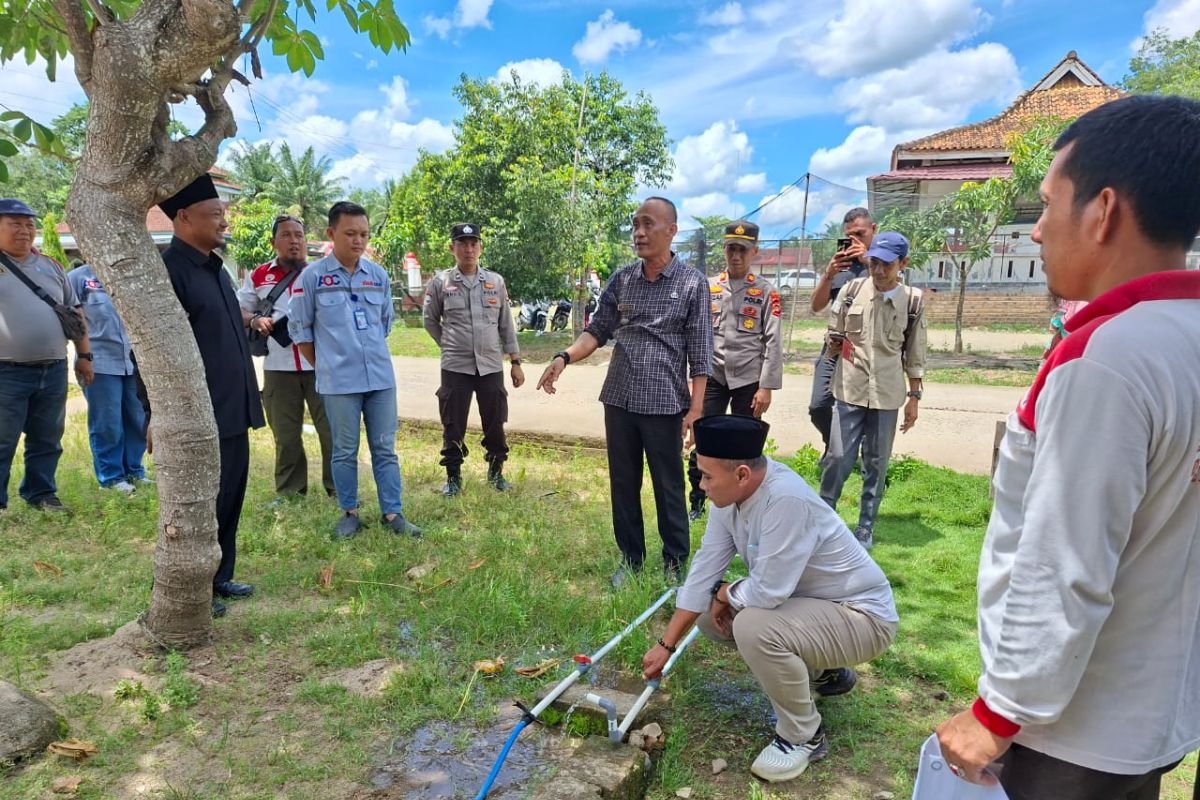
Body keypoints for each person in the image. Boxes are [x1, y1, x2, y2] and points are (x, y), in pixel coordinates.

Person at [935, 95, 1200, 800]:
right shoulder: (1183, 337)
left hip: (1073, 729)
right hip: (1156, 710)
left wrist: (998, 712)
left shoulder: (1107, 359)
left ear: (1102, 211)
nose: (1036, 229)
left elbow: (1063, 561)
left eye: (1048, 204)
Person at [642, 414, 897, 783]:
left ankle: (803, 735)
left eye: (707, 477)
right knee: (706, 615)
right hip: (814, 609)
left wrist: (725, 591)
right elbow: (704, 570)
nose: (701, 485)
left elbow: (768, 592)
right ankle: (824, 674)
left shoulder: (785, 499)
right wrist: (666, 644)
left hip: (863, 618)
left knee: (752, 624)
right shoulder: (729, 499)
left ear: (742, 474)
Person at [537, 197, 711, 586]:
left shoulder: (692, 283)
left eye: (648, 224)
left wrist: (696, 410)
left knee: (668, 485)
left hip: (665, 402)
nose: (639, 233)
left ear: (671, 231)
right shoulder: (622, 279)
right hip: (619, 398)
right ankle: (631, 559)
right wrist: (564, 357)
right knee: (623, 482)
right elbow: (597, 330)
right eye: (635, 225)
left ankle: (674, 563)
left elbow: (701, 352)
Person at [160, 175, 266, 617]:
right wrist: (153, 413)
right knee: (200, 506)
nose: (224, 221)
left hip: (232, 407)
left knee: (229, 497)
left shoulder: (216, 269)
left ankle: (219, 577)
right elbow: (153, 352)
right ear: (184, 217)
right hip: (197, 413)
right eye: (215, 214)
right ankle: (194, 588)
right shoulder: (169, 272)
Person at [288, 201, 422, 540]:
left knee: (384, 448)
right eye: (350, 233)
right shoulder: (313, 277)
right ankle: (349, 512)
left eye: (363, 234)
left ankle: (393, 513)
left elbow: (384, 325)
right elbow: (301, 331)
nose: (358, 240)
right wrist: (328, 366)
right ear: (331, 233)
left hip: (380, 379)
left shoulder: (378, 276)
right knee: (344, 451)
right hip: (338, 383)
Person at [818, 232, 926, 550]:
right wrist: (832, 342)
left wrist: (914, 398)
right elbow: (833, 332)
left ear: (903, 263)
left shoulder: (913, 301)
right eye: (874, 263)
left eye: (886, 265)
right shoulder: (851, 291)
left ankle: (865, 526)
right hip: (849, 388)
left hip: (887, 394)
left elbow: (915, 354)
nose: (878, 271)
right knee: (838, 456)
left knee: (877, 463)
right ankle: (824, 519)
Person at [0, 198, 94, 512]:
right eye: (15, 224)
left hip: (53, 368)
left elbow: (75, 312)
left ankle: (41, 493)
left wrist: (85, 356)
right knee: (2, 438)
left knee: (48, 437)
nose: (24, 230)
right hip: (6, 372)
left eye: (29, 224)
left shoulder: (51, 265)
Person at [686, 220, 783, 520]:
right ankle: (698, 501)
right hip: (713, 376)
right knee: (702, 441)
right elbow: (696, 334)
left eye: (742, 250)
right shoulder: (708, 287)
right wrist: (693, 379)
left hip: (748, 380)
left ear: (755, 251)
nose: (736, 256)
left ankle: (745, 503)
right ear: (724, 250)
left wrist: (766, 386)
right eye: (731, 249)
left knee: (745, 446)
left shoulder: (765, 291)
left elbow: (773, 341)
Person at [237, 214, 335, 501]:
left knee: (333, 432)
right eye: (286, 235)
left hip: (321, 366)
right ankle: (291, 492)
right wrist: (255, 320)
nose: (294, 241)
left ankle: (340, 489)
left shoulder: (322, 272)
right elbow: (238, 309)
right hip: (279, 367)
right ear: (273, 242)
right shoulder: (259, 275)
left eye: (299, 235)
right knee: (286, 435)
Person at [422, 222, 524, 496]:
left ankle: (496, 473)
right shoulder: (441, 282)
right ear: (452, 248)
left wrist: (515, 362)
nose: (468, 249)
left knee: (495, 420)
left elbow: (506, 324)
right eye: (462, 244)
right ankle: (453, 478)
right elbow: (429, 320)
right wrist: (449, 344)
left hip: (490, 365)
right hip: (456, 366)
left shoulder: (495, 282)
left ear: (480, 247)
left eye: (473, 243)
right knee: (452, 423)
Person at [67, 262, 149, 493]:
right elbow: (74, 321)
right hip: (99, 361)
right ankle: (111, 478)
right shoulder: (78, 279)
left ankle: (134, 470)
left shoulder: (133, 274)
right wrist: (84, 357)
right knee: (107, 423)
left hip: (133, 361)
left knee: (137, 419)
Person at [808, 208, 876, 449]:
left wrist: (869, 260)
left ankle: (854, 455)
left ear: (873, 230)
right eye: (849, 236)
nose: (854, 240)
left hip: (867, 349)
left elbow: (893, 292)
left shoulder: (883, 261)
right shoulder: (840, 265)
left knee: (864, 408)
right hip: (835, 346)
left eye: (860, 234)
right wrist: (828, 274)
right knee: (818, 406)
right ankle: (835, 448)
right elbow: (816, 306)